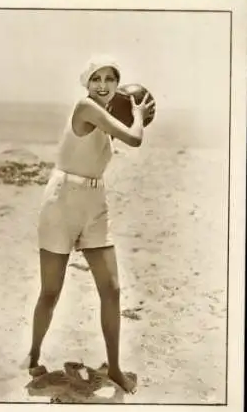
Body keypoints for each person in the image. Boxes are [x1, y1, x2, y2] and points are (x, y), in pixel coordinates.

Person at [22, 55, 156, 393]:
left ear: (117, 84)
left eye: (111, 79)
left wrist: (130, 113)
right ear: (87, 83)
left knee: (111, 289)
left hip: (95, 204)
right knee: (51, 291)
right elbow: (135, 139)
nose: (103, 85)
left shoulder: (108, 116)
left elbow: (117, 136)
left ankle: (114, 368)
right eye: (96, 78)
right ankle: (34, 353)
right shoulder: (85, 107)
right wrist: (138, 114)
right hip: (62, 201)